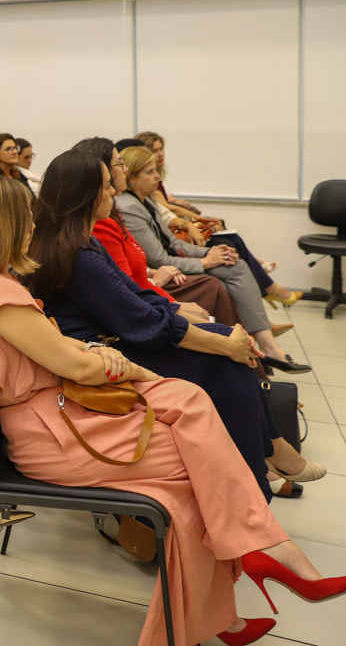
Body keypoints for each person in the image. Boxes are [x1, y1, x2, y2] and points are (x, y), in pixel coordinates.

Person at [0, 173, 346, 646]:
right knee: (199, 466)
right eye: (24, 217)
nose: (34, 225)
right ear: (3, 225)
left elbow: (63, 349)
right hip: (54, 436)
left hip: (58, 416)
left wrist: (106, 359)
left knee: (189, 404)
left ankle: (234, 593)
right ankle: (265, 553)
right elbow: (71, 360)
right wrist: (121, 366)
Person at [27, 151, 324, 501]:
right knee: (226, 361)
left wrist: (192, 321)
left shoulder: (81, 240)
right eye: (108, 186)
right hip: (104, 356)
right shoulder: (76, 253)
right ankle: (258, 480)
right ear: (87, 195)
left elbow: (135, 294)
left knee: (226, 342)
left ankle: (263, 464)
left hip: (115, 338)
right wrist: (221, 344)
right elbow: (140, 321)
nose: (113, 192)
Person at [116, 146, 310, 374]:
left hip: (171, 266)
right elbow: (159, 259)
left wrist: (213, 253)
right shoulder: (129, 207)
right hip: (164, 273)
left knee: (232, 261)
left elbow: (175, 243)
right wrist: (206, 262)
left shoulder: (146, 202)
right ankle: (263, 347)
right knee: (232, 272)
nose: (157, 176)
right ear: (132, 180)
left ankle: (259, 349)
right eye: (149, 172)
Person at [73, 137, 245, 330]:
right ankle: (253, 339)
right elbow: (127, 288)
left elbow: (129, 268)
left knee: (230, 259)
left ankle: (255, 337)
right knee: (217, 283)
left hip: (152, 287)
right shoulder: (108, 218)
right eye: (120, 163)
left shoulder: (136, 205)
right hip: (144, 304)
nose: (125, 168)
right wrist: (174, 301)